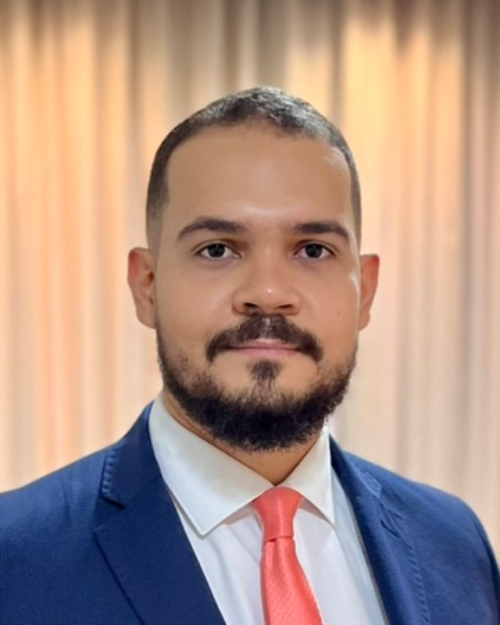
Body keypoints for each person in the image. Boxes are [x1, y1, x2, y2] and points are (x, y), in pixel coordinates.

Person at [0, 87, 498, 625]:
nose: (267, 292)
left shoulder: (454, 544)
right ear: (147, 286)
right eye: (217, 249)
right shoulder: (16, 561)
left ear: (366, 292)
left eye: (313, 250)